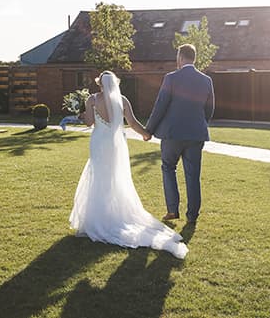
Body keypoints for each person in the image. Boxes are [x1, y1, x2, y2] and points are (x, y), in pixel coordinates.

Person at [69, 71, 188, 259]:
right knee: (116, 177)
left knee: (99, 177)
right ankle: (114, 214)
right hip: (117, 145)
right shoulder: (123, 100)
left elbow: (90, 122)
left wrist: (80, 115)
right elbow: (132, 122)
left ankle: (100, 218)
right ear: (116, 83)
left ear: (99, 83)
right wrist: (145, 134)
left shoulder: (92, 99)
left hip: (99, 142)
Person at [145, 44, 215, 224]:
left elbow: (160, 106)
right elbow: (209, 108)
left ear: (181, 57)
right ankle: (192, 216)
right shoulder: (206, 80)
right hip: (196, 135)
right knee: (193, 175)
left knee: (168, 168)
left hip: (172, 134)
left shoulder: (171, 78)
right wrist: (200, 125)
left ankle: (172, 210)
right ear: (194, 58)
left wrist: (149, 130)